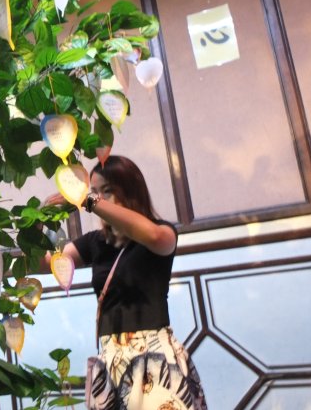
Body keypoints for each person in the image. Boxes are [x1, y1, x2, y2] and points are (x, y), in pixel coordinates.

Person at [43, 156, 207, 410]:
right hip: (110, 360)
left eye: (107, 191)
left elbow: (153, 235)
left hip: (153, 359)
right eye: (95, 191)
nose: (99, 199)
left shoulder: (161, 232)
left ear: (131, 192)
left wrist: (86, 198)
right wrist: (40, 219)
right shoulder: (95, 242)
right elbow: (48, 263)